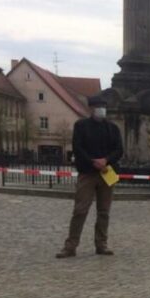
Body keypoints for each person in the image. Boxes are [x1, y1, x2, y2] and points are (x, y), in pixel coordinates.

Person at [55, 97, 123, 258]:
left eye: (103, 106)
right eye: (99, 106)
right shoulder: (81, 126)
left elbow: (119, 150)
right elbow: (78, 148)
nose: (101, 109)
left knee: (104, 211)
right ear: (91, 108)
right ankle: (70, 246)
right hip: (88, 172)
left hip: (107, 172)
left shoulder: (113, 128)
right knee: (80, 210)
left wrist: (106, 160)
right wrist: (93, 162)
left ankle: (101, 244)